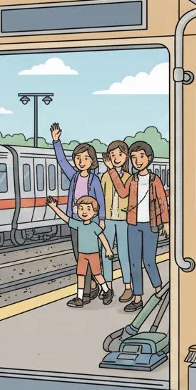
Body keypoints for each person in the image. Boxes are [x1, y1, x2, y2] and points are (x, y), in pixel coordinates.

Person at [107, 141, 169, 313]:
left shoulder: (154, 180)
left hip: (151, 225)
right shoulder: (132, 179)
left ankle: (159, 291)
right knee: (134, 262)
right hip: (133, 225)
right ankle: (138, 298)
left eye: (141, 156)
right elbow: (122, 192)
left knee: (149, 261)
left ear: (149, 158)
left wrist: (166, 223)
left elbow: (163, 202)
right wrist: (112, 170)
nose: (137, 161)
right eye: (133, 157)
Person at [50, 122, 105, 307]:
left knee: (90, 255)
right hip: (75, 221)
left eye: (85, 158)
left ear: (92, 161)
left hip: (92, 222)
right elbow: (61, 162)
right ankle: (95, 287)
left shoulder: (94, 179)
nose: (81, 161)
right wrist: (56, 142)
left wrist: (102, 218)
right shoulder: (73, 176)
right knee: (80, 256)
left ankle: (87, 293)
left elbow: (100, 199)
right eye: (78, 158)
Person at [46, 195, 114, 307]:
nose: (84, 212)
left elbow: (102, 238)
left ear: (95, 213)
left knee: (97, 274)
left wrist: (108, 250)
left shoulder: (94, 226)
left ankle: (107, 290)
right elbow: (65, 218)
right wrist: (54, 207)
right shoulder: (78, 224)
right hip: (82, 255)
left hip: (93, 254)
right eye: (81, 208)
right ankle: (79, 298)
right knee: (80, 275)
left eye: (88, 209)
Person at [100, 141, 134, 303]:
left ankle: (128, 287)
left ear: (126, 157)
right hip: (107, 220)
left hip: (123, 221)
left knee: (124, 254)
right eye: (112, 155)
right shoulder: (105, 176)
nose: (116, 158)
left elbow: (123, 194)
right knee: (106, 254)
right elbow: (101, 198)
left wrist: (112, 170)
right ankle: (108, 287)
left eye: (119, 154)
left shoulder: (129, 178)